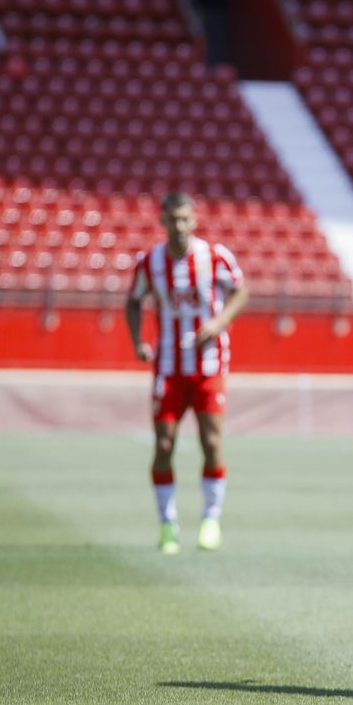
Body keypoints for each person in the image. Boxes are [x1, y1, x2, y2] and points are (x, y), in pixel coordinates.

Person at [125, 192, 248, 554]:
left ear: (193, 221)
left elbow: (241, 291)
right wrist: (137, 341)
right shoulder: (150, 263)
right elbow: (133, 301)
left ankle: (211, 519)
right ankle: (168, 524)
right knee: (164, 444)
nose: (178, 226)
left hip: (209, 365)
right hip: (168, 366)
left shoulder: (215, 256)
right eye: (172, 219)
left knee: (211, 442)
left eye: (184, 219)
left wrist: (221, 321)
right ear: (162, 221)